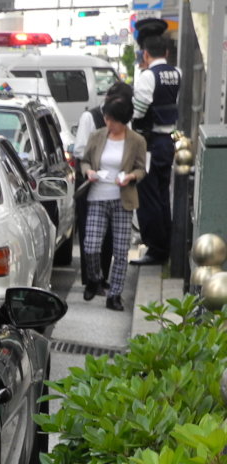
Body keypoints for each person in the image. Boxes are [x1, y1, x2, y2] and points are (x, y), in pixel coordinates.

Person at [79, 95, 147, 311]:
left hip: (122, 198)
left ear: (124, 120)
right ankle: (95, 279)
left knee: (120, 249)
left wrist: (129, 177)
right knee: (90, 246)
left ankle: (115, 295)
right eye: (107, 119)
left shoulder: (136, 140)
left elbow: (141, 169)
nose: (109, 124)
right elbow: (85, 160)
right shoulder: (98, 136)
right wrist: (88, 171)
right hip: (97, 195)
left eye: (113, 121)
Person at [74, 81, 134, 285]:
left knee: (113, 238)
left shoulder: (126, 118)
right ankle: (91, 280)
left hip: (118, 187)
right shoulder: (90, 117)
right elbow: (80, 150)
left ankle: (105, 277)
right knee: (90, 237)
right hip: (92, 182)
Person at [130, 34, 181, 266]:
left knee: (147, 196)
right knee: (162, 195)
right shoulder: (177, 73)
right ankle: (166, 243)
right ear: (167, 53)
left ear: (146, 54)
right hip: (168, 141)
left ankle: (155, 249)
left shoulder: (148, 76)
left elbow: (139, 111)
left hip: (149, 143)